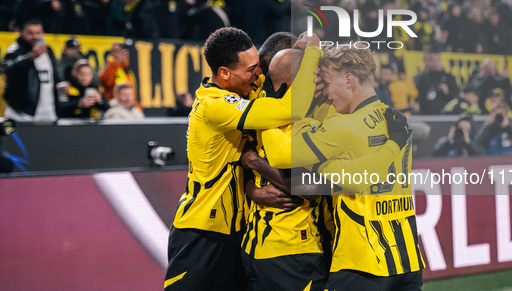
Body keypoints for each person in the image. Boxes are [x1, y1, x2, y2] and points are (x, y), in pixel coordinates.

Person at [164, 27, 321, 290]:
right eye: (251, 69)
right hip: (203, 230)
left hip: (239, 229)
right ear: (224, 73)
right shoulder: (215, 106)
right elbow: (289, 107)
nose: (258, 74)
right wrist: (312, 52)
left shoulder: (244, 89)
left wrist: (250, 188)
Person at [264, 46, 424, 290]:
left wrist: (268, 112)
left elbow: (280, 154)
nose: (326, 92)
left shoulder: (343, 127)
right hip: (407, 259)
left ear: (348, 79)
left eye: (327, 82)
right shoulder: (396, 119)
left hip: (364, 262)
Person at [240, 49, 328, 291]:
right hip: (293, 249)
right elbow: (307, 187)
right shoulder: (309, 125)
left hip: (255, 245)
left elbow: (245, 161)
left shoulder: (257, 115)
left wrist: (252, 182)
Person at [3, 19, 61, 122]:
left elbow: (54, 74)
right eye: (30, 33)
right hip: (23, 113)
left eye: (38, 33)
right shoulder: (14, 50)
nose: (35, 36)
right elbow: (8, 69)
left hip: (48, 111)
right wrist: (30, 58)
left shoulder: (48, 50)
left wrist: (61, 82)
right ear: (22, 33)